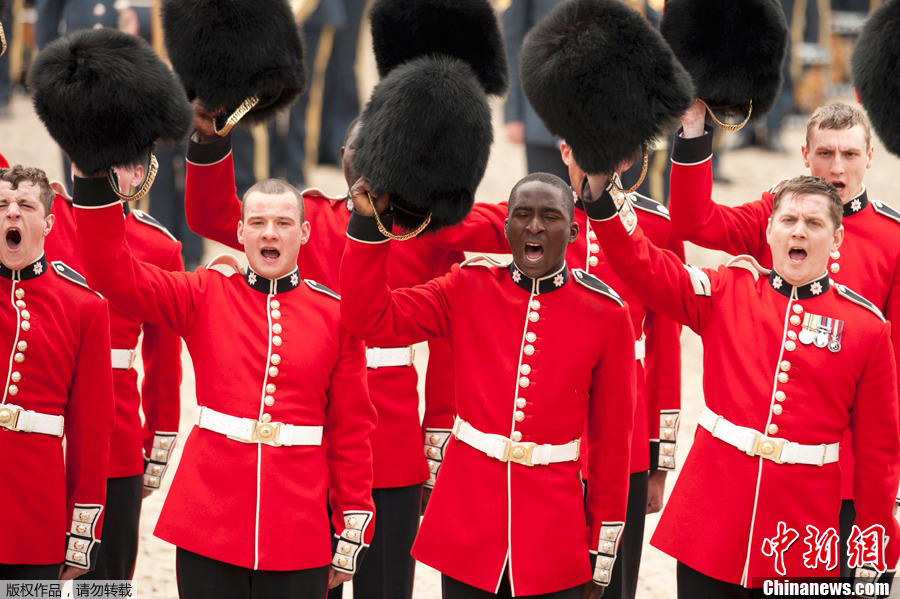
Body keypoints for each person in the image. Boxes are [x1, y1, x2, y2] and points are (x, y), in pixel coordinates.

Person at [183, 108, 505, 599]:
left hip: (392, 442)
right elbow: (211, 216)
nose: (370, 163)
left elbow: (452, 337)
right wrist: (208, 144)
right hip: (311, 442)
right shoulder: (307, 219)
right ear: (343, 157)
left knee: (385, 588)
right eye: (361, 151)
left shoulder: (421, 229)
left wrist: (434, 207)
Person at [580, 171, 900, 594]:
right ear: (769, 230)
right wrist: (602, 199)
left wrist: (871, 551)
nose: (798, 231)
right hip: (711, 517)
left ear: (837, 239)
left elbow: (878, 456)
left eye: (814, 224)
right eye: (788, 221)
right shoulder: (728, 289)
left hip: (801, 532)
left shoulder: (866, 329)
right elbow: (644, 265)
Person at [70, 166, 376, 598]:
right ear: (241, 231)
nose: (270, 234)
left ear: (304, 233)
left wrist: (353, 520)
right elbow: (114, 274)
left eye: (283, 223)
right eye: (258, 223)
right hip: (207, 521)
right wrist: (91, 181)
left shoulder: (336, 316)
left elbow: (351, 432)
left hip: (298, 529)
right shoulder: (204, 293)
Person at [340, 172, 636, 598]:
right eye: (522, 215)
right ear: (506, 228)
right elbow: (369, 319)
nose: (534, 227)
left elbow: (611, 448)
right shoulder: (468, 285)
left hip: (554, 532)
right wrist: (368, 225)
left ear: (572, 232)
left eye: (550, 217)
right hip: (469, 522)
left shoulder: (605, 313)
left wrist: (599, 553)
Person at [419, 141, 685, 599]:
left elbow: (665, 342)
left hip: (621, 431)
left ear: (625, 157)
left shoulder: (656, 224)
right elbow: (442, 231)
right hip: (534, 443)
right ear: (564, 149)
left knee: (609, 581)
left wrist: (660, 453)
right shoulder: (535, 209)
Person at [668, 100, 900, 578]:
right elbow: (695, 223)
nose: (837, 167)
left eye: (851, 155)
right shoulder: (779, 213)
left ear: (870, 157)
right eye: (826, 153)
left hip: (851, 469)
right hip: (766, 470)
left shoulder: (892, 238)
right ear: (805, 155)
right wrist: (693, 133)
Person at [43, 165, 184, 581]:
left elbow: (164, 365)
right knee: (28, 580)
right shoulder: (44, 219)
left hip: (115, 437)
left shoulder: (159, 246)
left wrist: (152, 453)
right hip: (37, 435)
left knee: (104, 584)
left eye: (115, 162)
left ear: (139, 173)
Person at [0, 165, 115, 580]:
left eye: (25, 205)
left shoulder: (84, 308)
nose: (11, 213)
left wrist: (81, 533)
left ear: (47, 223)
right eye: (1, 205)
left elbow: (91, 433)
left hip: (36, 516)